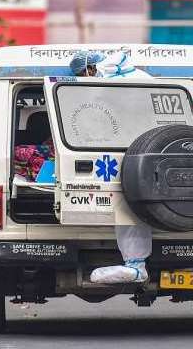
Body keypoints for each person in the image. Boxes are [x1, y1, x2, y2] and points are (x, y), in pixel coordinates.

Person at [69, 51, 154, 284]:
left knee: (129, 208)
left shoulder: (106, 85)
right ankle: (135, 263)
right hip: (151, 153)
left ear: (89, 69)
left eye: (80, 74)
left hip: (131, 154)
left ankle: (136, 264)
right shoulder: (141, 77)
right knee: (133, 207)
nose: (83, 79)